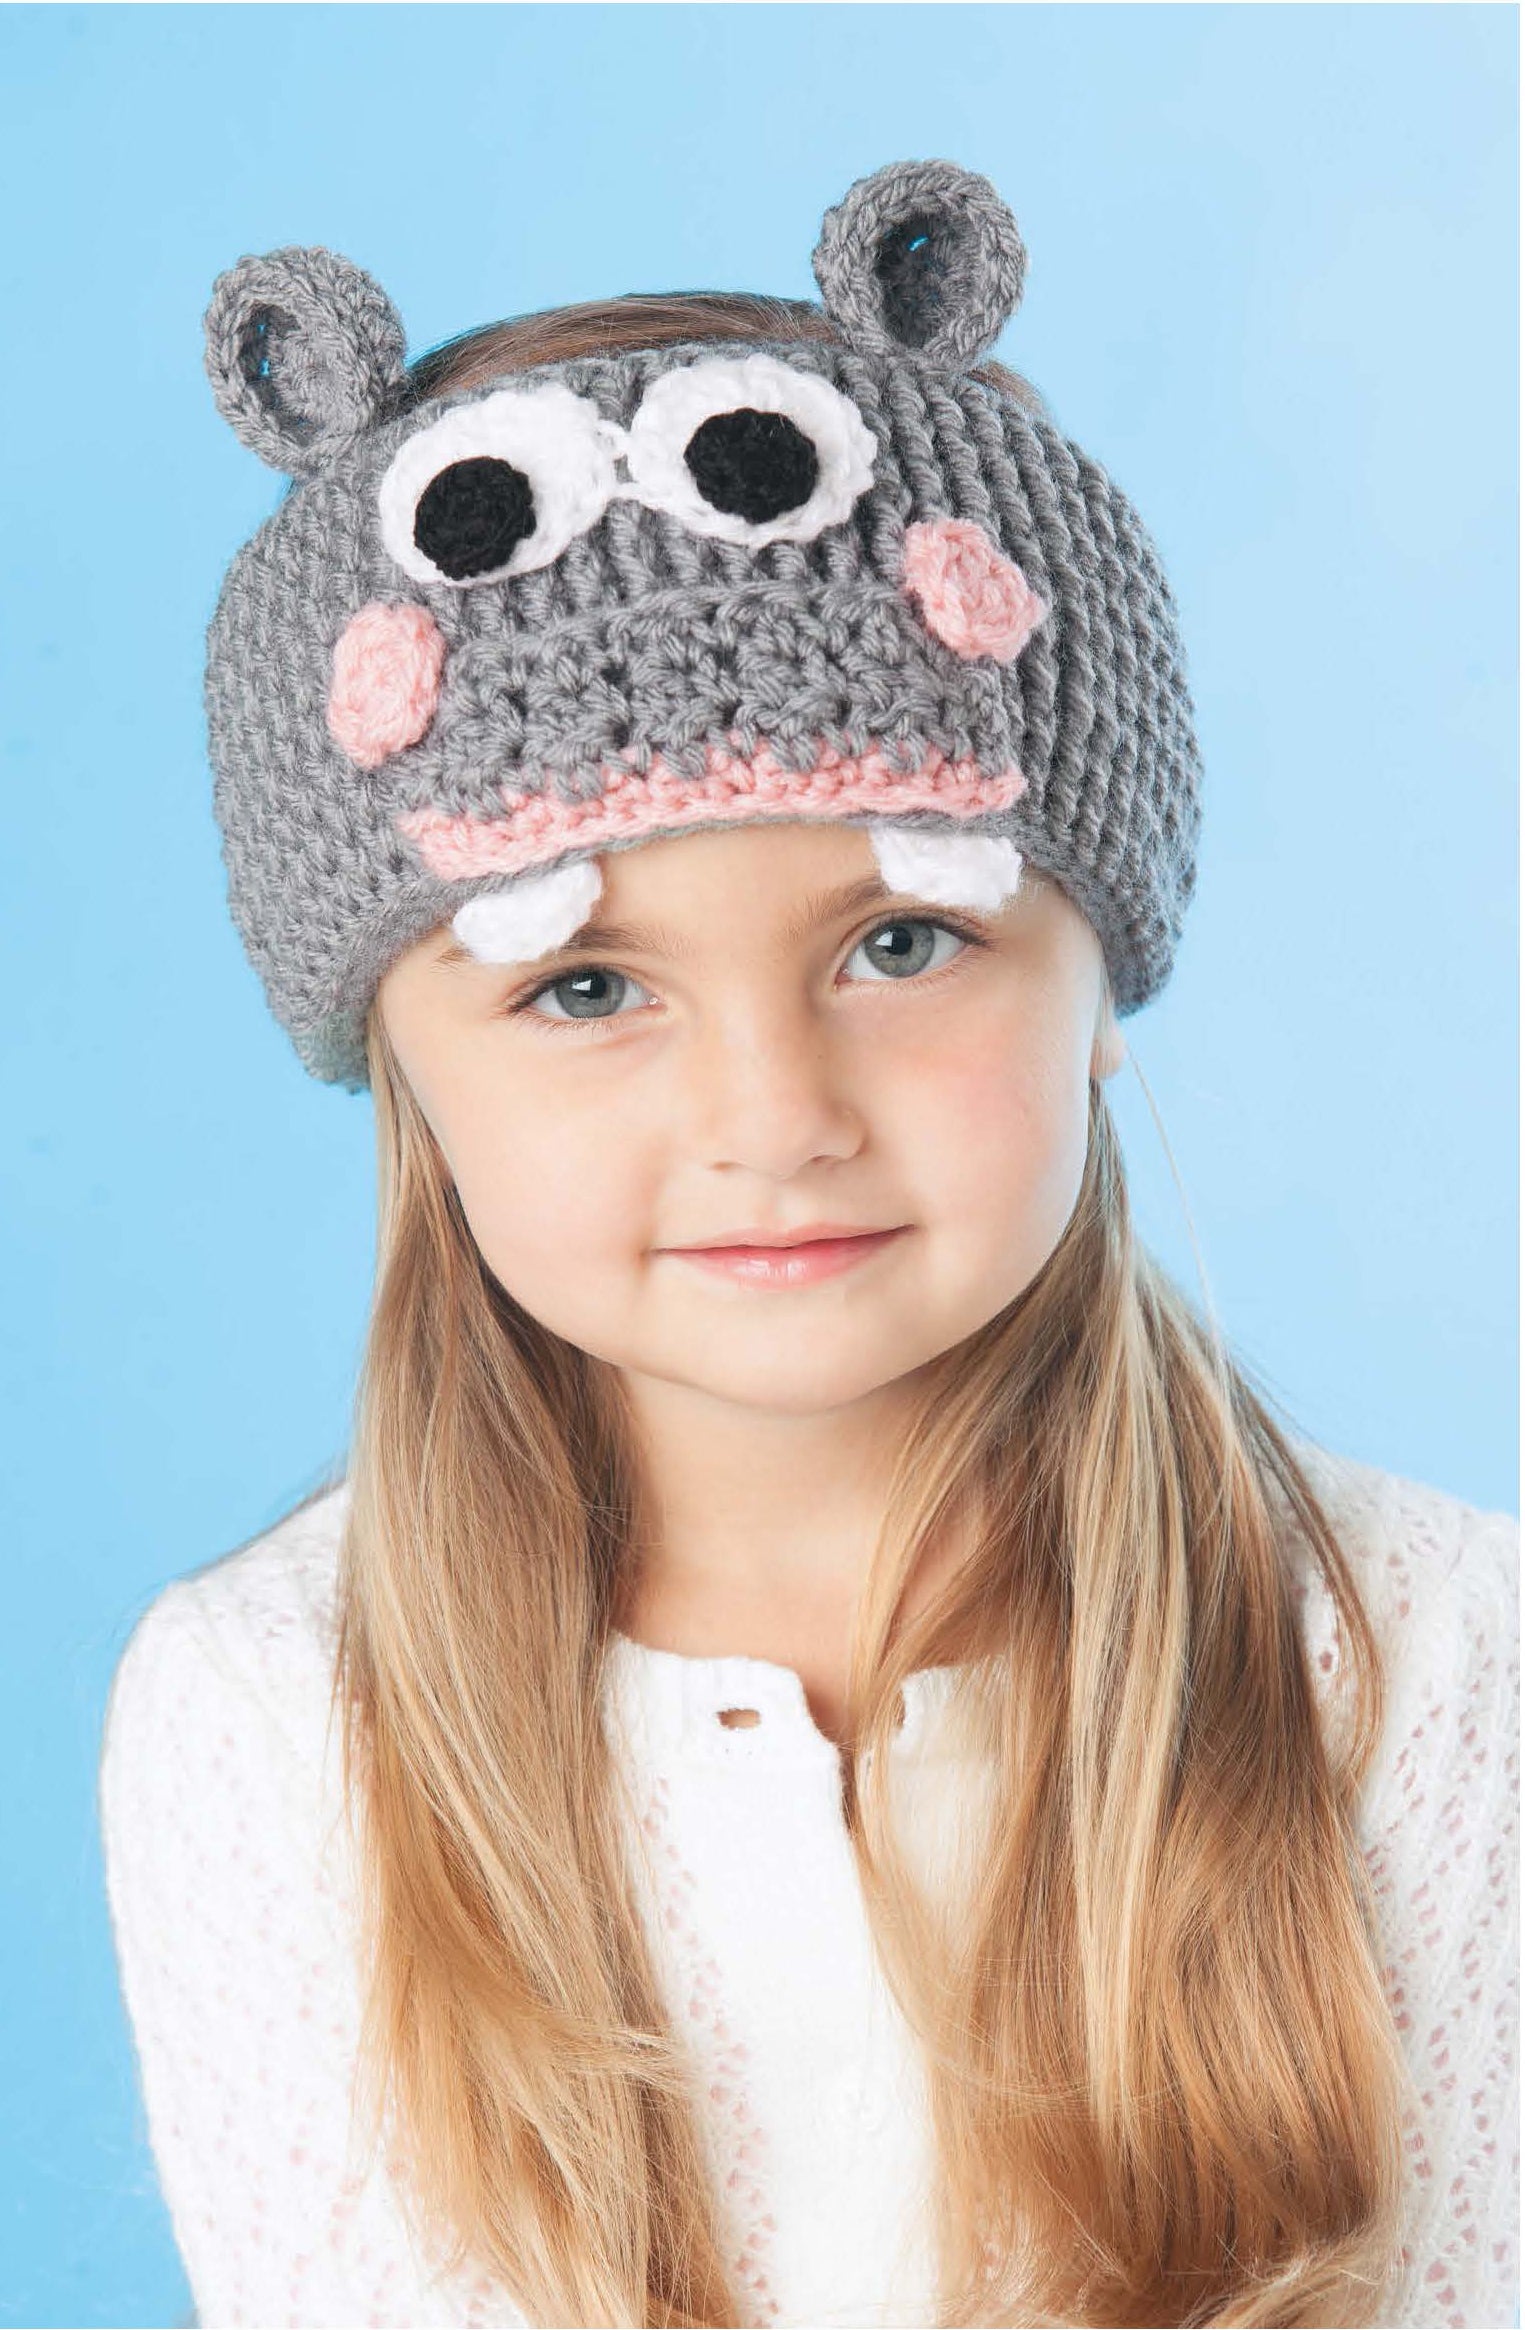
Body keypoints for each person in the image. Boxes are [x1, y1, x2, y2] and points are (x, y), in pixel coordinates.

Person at [98, 158, 1518, 2330]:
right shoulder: (278, 1724)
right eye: (585, 987)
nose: (770, 1114)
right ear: (403, 1070)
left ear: (1100, 986)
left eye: (901, 937)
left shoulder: (1423, 1650)